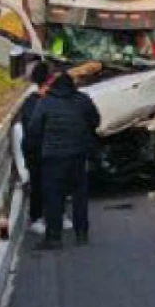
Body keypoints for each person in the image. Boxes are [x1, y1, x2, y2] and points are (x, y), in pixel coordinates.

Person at [27, 71, 101, 249]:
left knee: (53, 197)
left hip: (53, 157)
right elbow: (96, 121)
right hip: (78, 155)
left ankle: (54, 237)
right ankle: (82, 234)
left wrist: (35, 152)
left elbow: (34, 129)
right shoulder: (82, 99)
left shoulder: (45, 102)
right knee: (79, 196)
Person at [17, 61, 72, 234]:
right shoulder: (32, 104)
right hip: (38, 152)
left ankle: (59, 214)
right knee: (39, 185)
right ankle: (36, 218)